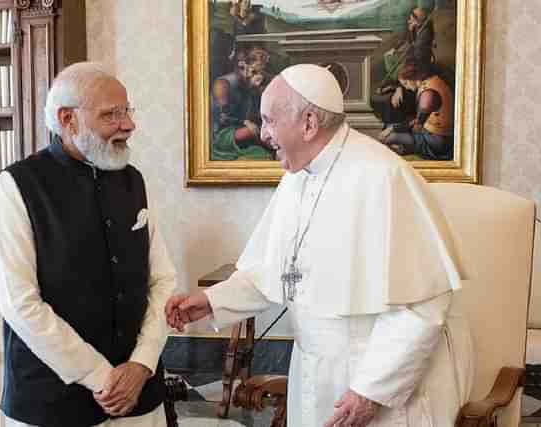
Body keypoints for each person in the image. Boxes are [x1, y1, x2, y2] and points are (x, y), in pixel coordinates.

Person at [166, 64, 473, 427]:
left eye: (268, 120)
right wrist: (211, 300)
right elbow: (279, 269)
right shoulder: (299, 176)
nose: (262, 134)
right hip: (314, 369)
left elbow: (422, 303)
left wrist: (371, 390)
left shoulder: (382, 177)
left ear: (309, 123)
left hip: (381, 381)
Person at [0, 62, 176, 427]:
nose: (128, 124)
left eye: (127, 112)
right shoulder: (19, 185)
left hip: (140, 393)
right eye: (111, 114)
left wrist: (142, 363)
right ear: (67, 119)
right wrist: (102, 378)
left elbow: (162, 280)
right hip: (52, 401)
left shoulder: (133, 180)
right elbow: (19, 302)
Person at [380, 62, 454, 160]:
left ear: (414, 78)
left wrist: (393, 129)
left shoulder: (427, 94)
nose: (406, 87)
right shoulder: (432, 81)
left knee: (388, 137)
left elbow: (417, 126)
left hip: (437, 141)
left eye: (406, 83)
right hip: (433, 134)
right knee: (389, 129)